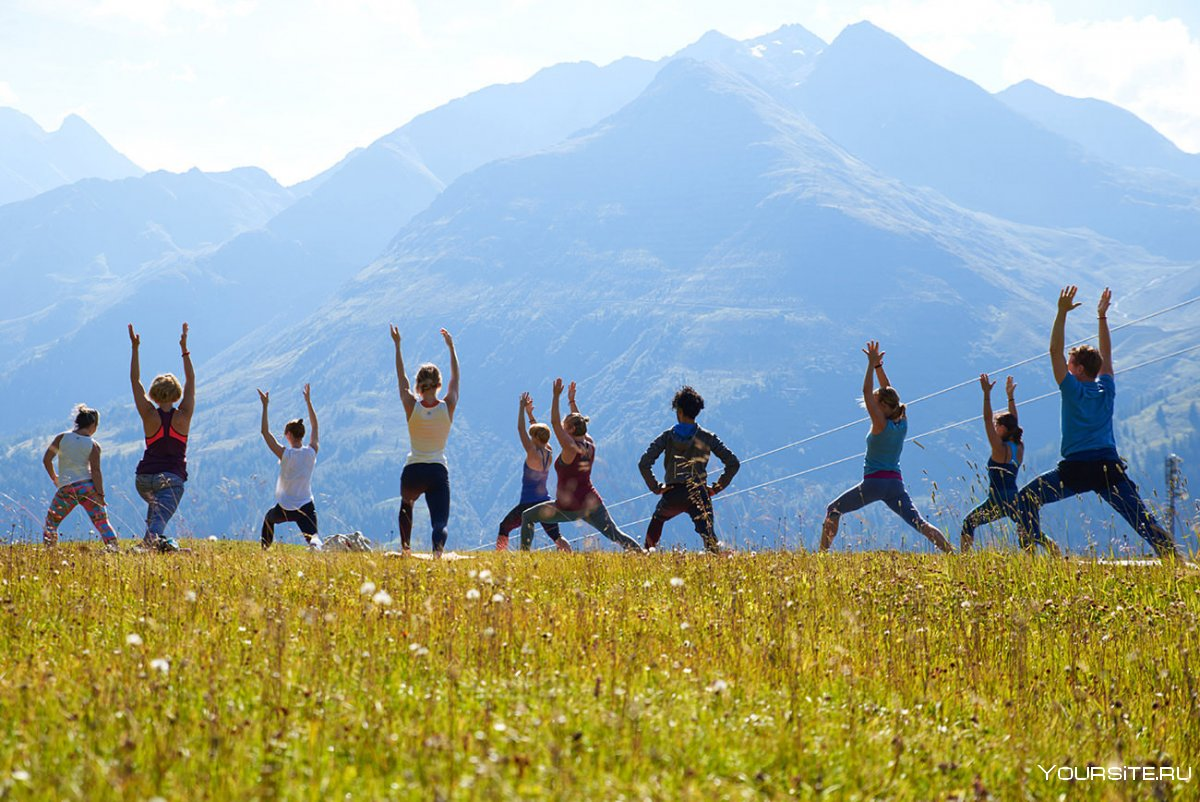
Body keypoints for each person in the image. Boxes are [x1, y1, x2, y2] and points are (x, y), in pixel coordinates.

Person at [1015, 286, 1180, 558]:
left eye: (1070, 364)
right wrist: (1102, 317)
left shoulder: (1072, 389)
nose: (1066, 366)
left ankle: (1031, 555)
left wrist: (1061, 313)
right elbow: (1107, 357)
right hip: (1108, 467)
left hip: (1076, 469)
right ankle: (1176, 561)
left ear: (1079, 370)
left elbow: (1054, 350)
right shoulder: (1107, 389)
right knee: (1143, 521)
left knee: (1025, 499)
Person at [821, 341, 953, 553]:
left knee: (833, 510)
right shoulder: (902, 421)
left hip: (874, 483)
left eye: (876, 401)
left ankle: (821, 556)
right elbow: (889, 393)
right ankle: (953, 554)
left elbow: (866, 391)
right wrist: (878, 366)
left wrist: (869, 365)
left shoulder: (880, 423)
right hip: (895, 485)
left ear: (882, 406)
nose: (871, 403)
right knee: (920, 523)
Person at [520, 380, 644, 552]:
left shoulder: (570, 448)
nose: (562, 425)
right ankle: (643, 554)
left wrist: (556, 396)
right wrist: (572, 401)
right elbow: (580, 426)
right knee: (615, 534)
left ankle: (523, 557)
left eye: (566, 425)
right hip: (592, 502)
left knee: (527, 516)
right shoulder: (590, 444)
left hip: (569, 507)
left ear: (570, 429)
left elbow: (554, 423)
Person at [638, 385, 740, 553]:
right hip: (699, 493)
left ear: (679, 411)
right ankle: (716, 564)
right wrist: (716, 488)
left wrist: (656, 487)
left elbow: (644, 463)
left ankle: (647, 554)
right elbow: (733, 463)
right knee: (709, 538)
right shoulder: (707, 437)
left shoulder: (667, 437)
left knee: (658, 519)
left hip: (673, 493)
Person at [391, 325, 459, 557]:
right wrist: (451, 348)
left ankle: (406, 549)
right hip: (438, 471)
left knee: (406, 505)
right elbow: (456, 379)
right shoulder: (448, 406)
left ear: (419, 385)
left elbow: (402, 380)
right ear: (438, 384)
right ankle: (437, 555)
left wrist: (398, 345)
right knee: (440, 521)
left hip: (413, 470)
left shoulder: (411, 405)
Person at [129, 323, 193, 552]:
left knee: (156, 513)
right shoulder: (184, 416)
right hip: (171, 479)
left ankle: (158, 547)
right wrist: (184, 349)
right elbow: (191, 382)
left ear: (154, 394)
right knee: (158, 522)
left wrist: (135, 349)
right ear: (177, 393)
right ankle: (145, 547)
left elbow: (135, 382)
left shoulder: (148, 414)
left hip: (143, 478)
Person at [960, 375, 1040, 553]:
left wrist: (986, 395)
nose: (995, 429)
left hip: (996, 499)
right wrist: (1010, 397)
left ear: (1003, 428)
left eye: (998, 426)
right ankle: (1049, 550)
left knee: (969, 523)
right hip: (1014, 497)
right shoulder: (1019, 447)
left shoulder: (998, 448)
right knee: (1028, 531)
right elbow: (1014, 422)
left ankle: (963, 560)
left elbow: (987, 420)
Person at [496, 392, 571, 551]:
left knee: (504, 527)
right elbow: (539, 434)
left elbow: (520, 429)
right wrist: (531, 415)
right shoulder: (549, 453)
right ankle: (571, 555)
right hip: (545, 501)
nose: (530, 438)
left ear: (536, 438)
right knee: (556, 536)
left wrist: (521, 408)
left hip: (528, 504)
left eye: (532, 436)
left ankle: (499, 557)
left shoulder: (532, 452)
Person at [41, 405, 119, 550]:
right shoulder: (93, 445)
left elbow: (47, 459)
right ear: (93, 425)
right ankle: (114, 550)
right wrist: (100, 495)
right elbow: (95, 471)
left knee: (51, 522)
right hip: (88, 487)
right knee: (102, 523)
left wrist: (55, 478)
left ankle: (49, 551)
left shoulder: (61, 438)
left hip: (66, 488)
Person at [258, 384, 322, 551]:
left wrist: (265, 406)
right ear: (302, 434)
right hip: (306, 505)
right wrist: (308, 402)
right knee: (314, 539)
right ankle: (318, 553)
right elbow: (315, 427)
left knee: (269, 519)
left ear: (288, 435)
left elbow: (265, 432)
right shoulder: (311, 453)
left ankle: (265, 549)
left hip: (286, 507)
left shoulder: (285, 454)